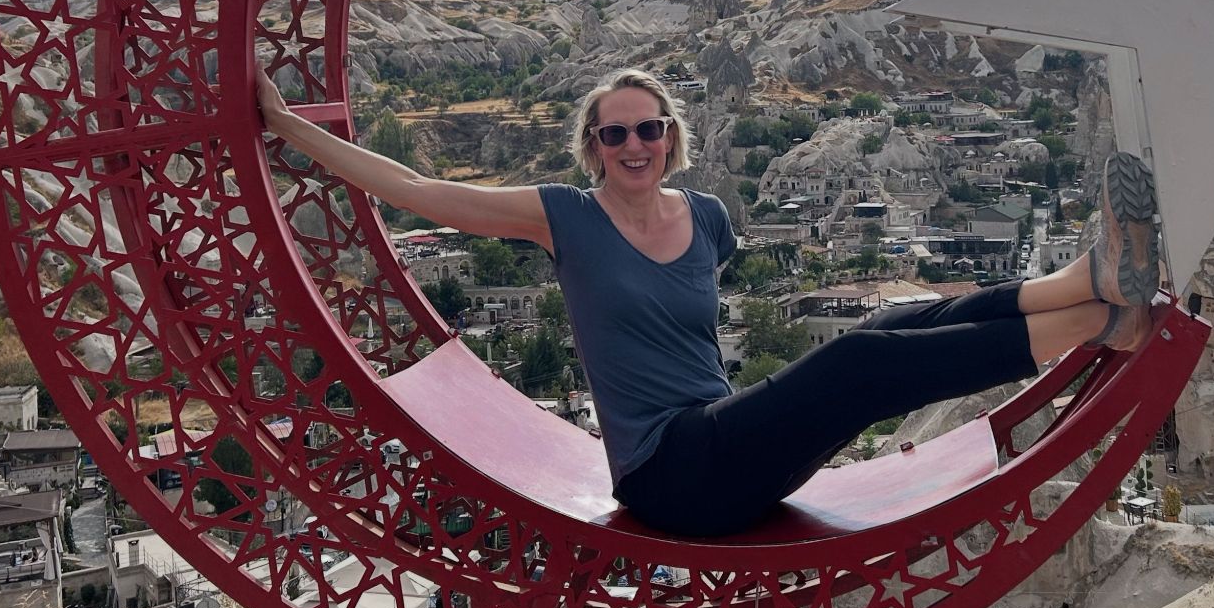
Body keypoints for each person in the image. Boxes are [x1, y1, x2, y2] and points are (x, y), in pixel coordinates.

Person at [258, 66, 1163, 538]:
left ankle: (1092, 283)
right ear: (593, 146)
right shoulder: (564, 217)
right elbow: (419, 189)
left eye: (649, 128)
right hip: (672, 475)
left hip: (730, 446)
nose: (634, 144)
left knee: (891, 323)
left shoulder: (707, 217)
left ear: (671, 136)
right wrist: (293, 128)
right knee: (862, 362)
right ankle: (1096, 322)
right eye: (615, 132)